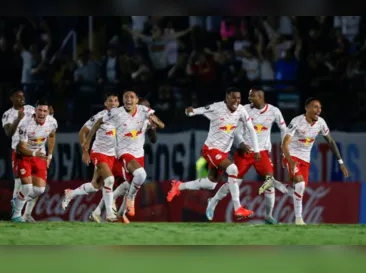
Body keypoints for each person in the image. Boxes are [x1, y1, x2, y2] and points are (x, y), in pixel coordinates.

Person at [167, 87, 260, 219]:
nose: (236, 101)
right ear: (226, 98)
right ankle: (238, 208)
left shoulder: (241, 110)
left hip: (223, 152)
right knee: (233, 169)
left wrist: (255, 149)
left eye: (239, 98)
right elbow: (197, 111)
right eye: (233, 97)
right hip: (210, 149)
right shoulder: (216, 108)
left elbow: (251, 129)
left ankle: (179, 186)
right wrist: (189, 112)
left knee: (211, 183)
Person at [205, 86, 290, 224]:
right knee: (234, 183)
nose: (248, 98)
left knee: (269, 182)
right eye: (249, 95)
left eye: (252, 96)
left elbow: (283, 129)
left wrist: (284, 148)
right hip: (245, 151)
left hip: (262, 152)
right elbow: (236, 131)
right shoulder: (243, 109)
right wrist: (242, 143)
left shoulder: (274, 111)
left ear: (260, 97)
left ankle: (268, 216)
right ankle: (213, 201)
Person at [80, 89, 165, 218]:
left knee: (126, 185)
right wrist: (86, 146)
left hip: (138, 155)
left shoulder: (145, 117)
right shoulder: (117, 114)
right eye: (145, 106)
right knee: (129, 180)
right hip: (121, 153)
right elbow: (94, 125)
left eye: (148, 107)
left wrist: (153, 127)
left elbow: (154, 139)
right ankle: (114, 209)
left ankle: (109, 213)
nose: (147, 109)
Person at [282, 97, 349, 225]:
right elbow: (285, 144)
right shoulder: (296, 121)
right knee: (300, 185)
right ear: (306, 109)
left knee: (298, 190)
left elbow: (330, 141)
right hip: (291, 155)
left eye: (320, 107)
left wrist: (341, 163)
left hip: (305, 159)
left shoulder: (321, 123)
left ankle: (275, 184)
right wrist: (289, 160)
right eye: (315, 107)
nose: (319, 110)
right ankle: (299, 220)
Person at [61, 93, 120, 222]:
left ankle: (71, 194)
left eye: (116, 101)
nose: (113, 103)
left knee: (95, 186)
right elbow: (83, 131)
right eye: (110, 101)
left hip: (112, 155)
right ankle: (110, 214)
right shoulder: (100, 116)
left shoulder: (120, 118)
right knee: (109, 180)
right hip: (98, 152)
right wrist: (85, 150)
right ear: (105, 104)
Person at [11, 98, 58, 222]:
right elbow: (21, 148)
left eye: (44, 111)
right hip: (24, 155)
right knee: (26, 187)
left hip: (40, 155)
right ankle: (16, 215)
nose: (42, 113)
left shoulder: (52, 122)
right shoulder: (25, 124)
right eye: (40, 110)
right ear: (35, 111)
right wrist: (34, 153)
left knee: (40, 190)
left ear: (48, 112)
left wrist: (50, 155)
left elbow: (52, 136)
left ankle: (18, 201)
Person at [2, 88, 35, 214]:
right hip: (18, 151)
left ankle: (26, 213)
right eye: (18, 96)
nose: (22, 99)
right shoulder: (7, 114)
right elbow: (8, 133)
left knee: (35, 184)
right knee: (19, 181)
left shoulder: (30, 109)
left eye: (23, 96)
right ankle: (16, 212)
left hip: (33, 148)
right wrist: (18, 119)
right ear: (12, 98)